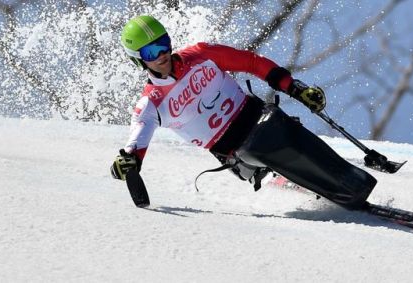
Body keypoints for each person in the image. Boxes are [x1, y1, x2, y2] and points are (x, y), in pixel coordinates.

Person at [111, 15, 377, 209]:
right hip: (237, 151)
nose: (162, 54)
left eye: (163, 43)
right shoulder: (152, 103)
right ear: (137, 59)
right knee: (268, 145)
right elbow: (137, 141)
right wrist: (127, 163)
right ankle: (346, 191)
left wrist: (294, 87)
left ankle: (352, 183)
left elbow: (250, 62)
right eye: (150, 51)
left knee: (285, 132)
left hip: (260, 116)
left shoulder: (201, 54)